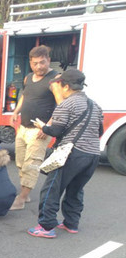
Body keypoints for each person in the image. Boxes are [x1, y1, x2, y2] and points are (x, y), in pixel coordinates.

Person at [27, 69, 103, 238]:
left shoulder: (67, 104)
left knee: (52, 189)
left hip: (71, 154)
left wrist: (42, 127)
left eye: (59, 84)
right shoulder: (95, 105)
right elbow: (99, 130)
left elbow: (55, 130)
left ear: (66, 86)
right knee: (76, 190)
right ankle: (71, 223)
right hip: (92, 155)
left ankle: (46, 227)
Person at [10, 45, 59, 210]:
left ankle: (21, 199)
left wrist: (47, 127)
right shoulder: (28, 78)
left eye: (42, 62)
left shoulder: (55, 80)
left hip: (39, 131)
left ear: (48, 60)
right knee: (20, 162)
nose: (39, 66)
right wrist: (15, 112)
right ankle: (27, 192)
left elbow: (60, 106)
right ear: (30, 63)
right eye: (35, 63)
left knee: (31, 163)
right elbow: (24, 96)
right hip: (23, 128)